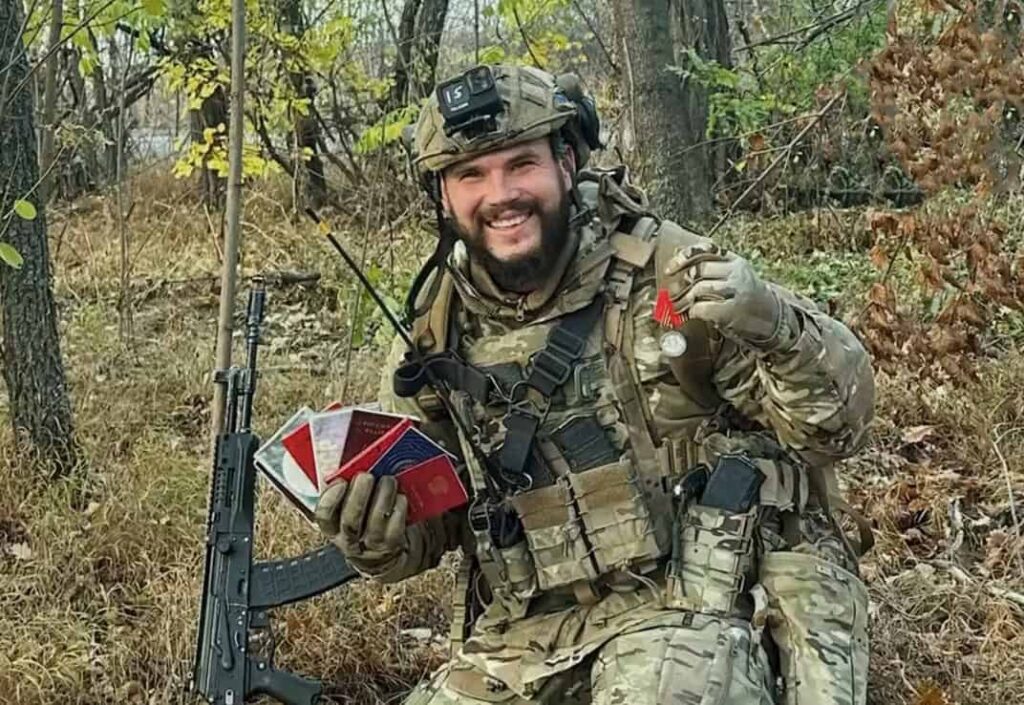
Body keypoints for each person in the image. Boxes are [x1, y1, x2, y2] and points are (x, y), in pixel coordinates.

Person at [315, 64, 874, 705]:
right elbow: (439, 520)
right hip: (529, 636)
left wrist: (774, 323)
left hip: (695, 604)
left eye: (521, 164)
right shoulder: (434, 331)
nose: (500, 194)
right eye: (471, 175)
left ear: (567, 161)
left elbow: (834, 432)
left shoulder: (671, 280)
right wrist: (377, 537)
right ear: (443, 196)